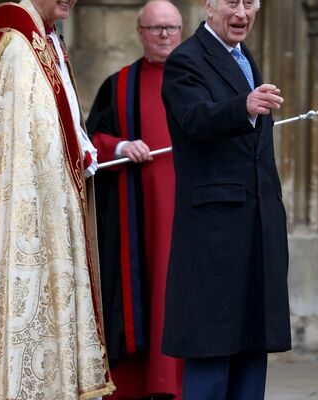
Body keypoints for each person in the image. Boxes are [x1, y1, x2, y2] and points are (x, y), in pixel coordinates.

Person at [0, 0, 115, 399]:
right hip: (32, 223)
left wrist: (82, 149)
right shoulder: (21, 53)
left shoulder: (46, 41)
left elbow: (60, 128)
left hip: (54, 212)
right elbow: (26, 153)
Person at [159, 0, 289, 399]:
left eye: (250, 3)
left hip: (256, 223)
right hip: (215, 230)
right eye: (232, 1)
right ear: (208, 5)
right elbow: (194, 118)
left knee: (252, 343)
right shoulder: (186, 59)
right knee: (212, 349)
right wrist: (244, 106)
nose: (242, 12)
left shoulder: (242, 56)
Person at [85, 0, 184, 398]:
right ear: (140, 33)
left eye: (171, 28)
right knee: (144, 300)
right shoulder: (119, 85)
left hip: (191, 217)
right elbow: (89, 142)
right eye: (156, 29)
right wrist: (122, 145)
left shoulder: (203, 83)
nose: (164, 36)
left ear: (183, 32)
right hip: (137, 222)